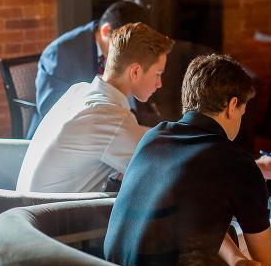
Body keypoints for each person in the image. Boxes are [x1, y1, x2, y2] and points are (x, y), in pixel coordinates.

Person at [104, 54, 271, 266]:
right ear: (232, 106)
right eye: (243, 110)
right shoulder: (237, 163)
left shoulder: (154, 136)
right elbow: (270, 260)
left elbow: (192, 218)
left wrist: (236, 259)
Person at [17, 22, 174, 194]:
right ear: (135, 71)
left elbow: (133, 137)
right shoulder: (109, 116)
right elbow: (162, 169)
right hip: (52, 215)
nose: (159, 84)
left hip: (29, 207)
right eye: (158, 74)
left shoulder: (79, 90)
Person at [27, 0, 150, 138]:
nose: (132, 54)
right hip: (61, 138)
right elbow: (50, 108)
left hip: (113, 131)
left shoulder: (125, 57)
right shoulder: (61, 53)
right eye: (126, 45)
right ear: (106, 31)